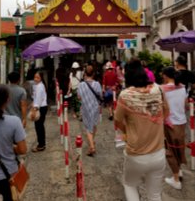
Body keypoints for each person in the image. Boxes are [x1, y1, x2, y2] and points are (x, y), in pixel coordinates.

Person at [114, 58, 169, 201]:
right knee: (155, 194)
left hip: (136, 153)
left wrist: (128, 131)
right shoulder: (158, 90)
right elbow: (166, 113)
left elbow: (117, 120)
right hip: (158, 152)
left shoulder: (125, 95)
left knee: (130, 185)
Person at [161, 66, 187, 190]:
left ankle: (176, 179)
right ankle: (179, 170)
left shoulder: (162, 89)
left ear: (165, 76)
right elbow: (185, 105)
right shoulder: (182, 87)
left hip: (169, 123)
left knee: (169, 150)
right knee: (179, 147)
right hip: (182, 121)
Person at [77, 64, 102, 156]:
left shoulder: (81, 85)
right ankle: (92, 142)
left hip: (86, 108)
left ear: (85, 74)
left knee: (88, 128)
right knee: (94, 125)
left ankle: (92, 147)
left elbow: (79, 97)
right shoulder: (97, 84)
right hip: (95, 107)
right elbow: (100, 95)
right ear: (93, 74)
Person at [31, 71, 48, 152]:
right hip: (41, 107)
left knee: (39, 127)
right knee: (40, 126)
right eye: (35, 77)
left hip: (40, 107)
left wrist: (35, 109)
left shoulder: (40, 86)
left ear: (41, 78)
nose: (35, 79)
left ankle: (41, 145)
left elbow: (38, 99)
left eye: (37, 77)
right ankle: (41, 143)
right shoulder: (38, 86)